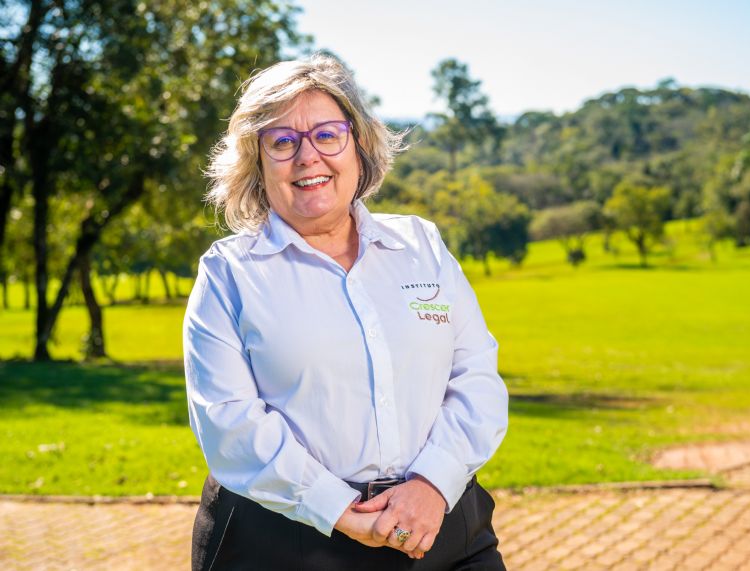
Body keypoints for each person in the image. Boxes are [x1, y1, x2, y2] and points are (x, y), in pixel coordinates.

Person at [183, 53, 509, 570]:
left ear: (358, 145)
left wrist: (431, 484)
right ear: (256, 163)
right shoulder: (229, 274)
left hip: (439, 524)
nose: (307, 157)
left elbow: (477, 378)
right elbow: (228, 423)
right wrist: (340, 511)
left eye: (327, 135)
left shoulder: (421, 244)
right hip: (283, 542)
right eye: (282, 142)